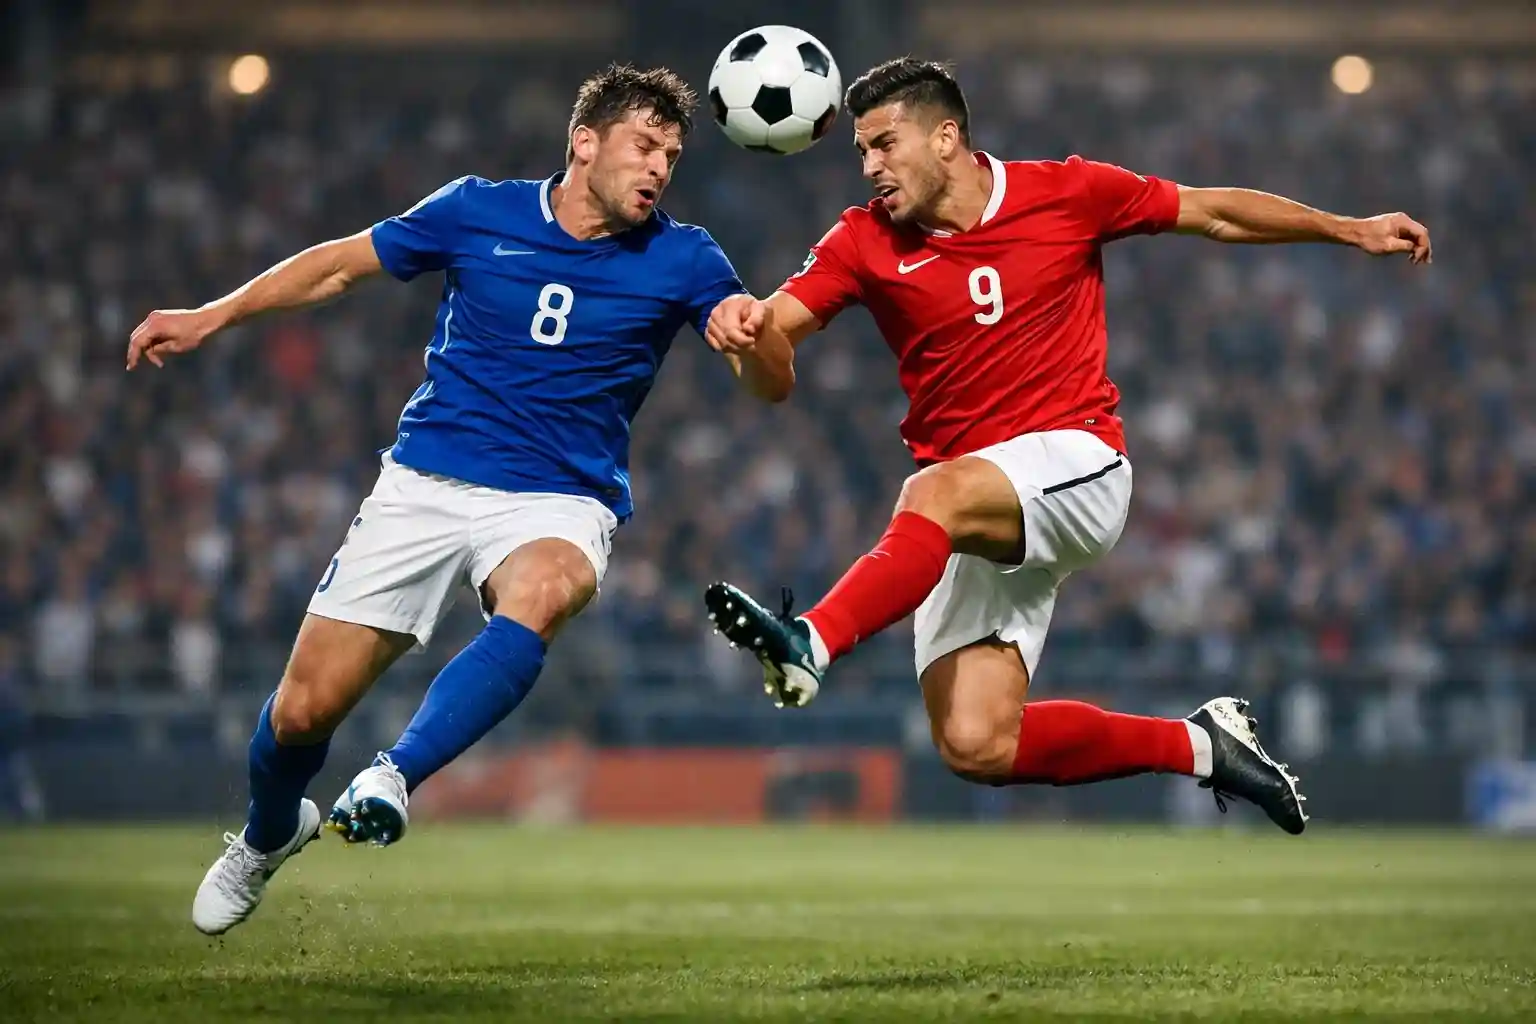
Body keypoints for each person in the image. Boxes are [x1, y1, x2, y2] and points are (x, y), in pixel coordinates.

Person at [128, 65, 783, 935]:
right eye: (643, 145)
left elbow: (769, 385)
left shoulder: (687, 257)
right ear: (584, 142)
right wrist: (212, 315)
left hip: (559, 497)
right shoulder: (478, 210)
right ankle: (265, 835)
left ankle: (393, 776)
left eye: (671, 153)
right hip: (426, 482)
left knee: (544, 590)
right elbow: (336, 270)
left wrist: (755, 338)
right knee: (302, 712)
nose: (659, 167)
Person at [702, 58, 1432, 834]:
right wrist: (749, 332)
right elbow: (773, 369)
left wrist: (1346, 228)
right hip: (978, 510)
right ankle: (1201, 746)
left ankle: (810, 642)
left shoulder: (1066, 191)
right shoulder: (861, 240)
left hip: (1078, 465)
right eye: (861, 152)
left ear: (946, 137)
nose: (870, 166)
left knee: (931, 492)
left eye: (884, 143)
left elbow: (1212, 211)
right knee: (975, 742)